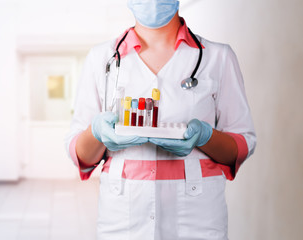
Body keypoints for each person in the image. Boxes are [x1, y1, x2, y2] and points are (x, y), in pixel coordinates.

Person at [65, 0, 256, 239]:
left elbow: (241, 145)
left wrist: (205, 136)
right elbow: (79, 154)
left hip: (197, 218)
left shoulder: (218, 57)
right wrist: (97, 133)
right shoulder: (101, 58)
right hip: (123, 219)